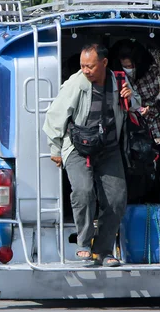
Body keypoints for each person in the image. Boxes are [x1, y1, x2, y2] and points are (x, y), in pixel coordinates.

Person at [43, 43, 141, 267]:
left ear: (104, 63)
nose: (85, 70)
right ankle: (84, 243)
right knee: (84, 191)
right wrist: (55, 149)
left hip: (108, 148)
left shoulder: (118, 80)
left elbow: (136, 106)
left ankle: (103, 250)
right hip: (77, 147)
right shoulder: (76, 83)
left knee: (117, 199)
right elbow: (54, 116)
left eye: (90, 66)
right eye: (82, 66)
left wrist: (130, 97)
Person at [117, 43, 160, 169]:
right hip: (144, 133)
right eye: (125, 66)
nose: (128, 69)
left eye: (130, 66)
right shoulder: (121, 79)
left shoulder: (154, 68)